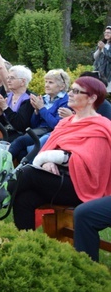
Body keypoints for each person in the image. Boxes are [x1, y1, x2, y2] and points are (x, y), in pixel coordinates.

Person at [13, 77, 111, 232]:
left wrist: (51, 157)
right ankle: (27, 247)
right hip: (57, 178)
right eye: (71, 90)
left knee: (28, 173)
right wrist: (46, 162)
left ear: (92, 98)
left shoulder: (101, 127)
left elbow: (88, 161)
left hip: (83, 187)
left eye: (76, 91)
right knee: (25, 199)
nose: (70, 94)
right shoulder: (66, 122)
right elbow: (48, 148)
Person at [8, 69, 70, 163]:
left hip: (51, 134)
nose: (46, 85)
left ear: (62, 86)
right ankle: (19, 175)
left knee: (20, 141)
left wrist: (41, 108)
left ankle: (1, 165)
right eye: (46, 82)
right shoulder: (44, 98)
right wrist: (36, 112)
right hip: (39, 132)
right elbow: (34, 124)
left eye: (51, 82)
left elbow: (56, 125)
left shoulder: (65, 101)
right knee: (21, 153)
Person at [0, 65, 34, 142]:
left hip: (20, 137)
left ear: (23, 82)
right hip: (4, 134)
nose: (8, 81)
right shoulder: (7, 96)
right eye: (8, 78)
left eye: (12, 78)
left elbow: (20, 126)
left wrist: (5, 108)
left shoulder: (29, 99)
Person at [93, 25, 111, 92]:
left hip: (109, 73)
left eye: (108, 32)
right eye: (105, 32)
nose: (106, 34)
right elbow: (95, 57)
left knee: (107, 91)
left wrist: (104, 48)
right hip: (99, 71)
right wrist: (99, 49)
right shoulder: (102, 43)